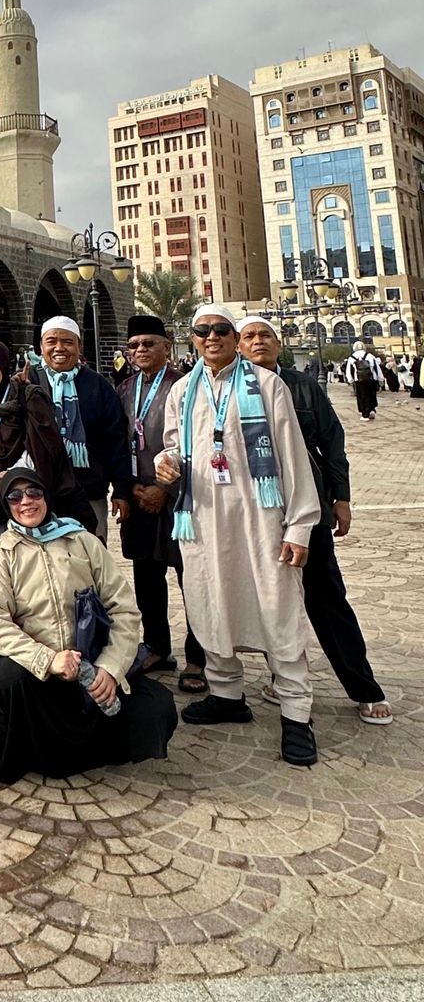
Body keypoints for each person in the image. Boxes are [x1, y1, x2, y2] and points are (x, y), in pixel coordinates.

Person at [157, 305, 321, 766]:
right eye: (202, 331)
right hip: (203, 519)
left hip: (261, 518)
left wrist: (300, 526)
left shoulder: (267, 385)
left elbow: (293, 457)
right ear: (192, 339)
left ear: (234, 337)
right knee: (211, 601)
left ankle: (296, 712)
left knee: (276, 605)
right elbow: (174, 445)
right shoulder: (182, 390)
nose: (211, 337)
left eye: (220, 330)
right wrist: (165, 463)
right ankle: (227, 694)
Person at [0, 464, 177, 783]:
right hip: (43, 671)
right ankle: (48, 754)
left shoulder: (82, 540)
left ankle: (86, 748)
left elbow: (123, 608)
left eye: (33, 492)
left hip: (92, 666)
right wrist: (47, 659)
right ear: (6, 505)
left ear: (45, 496)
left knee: (158, 707)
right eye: (15, 497)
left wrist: (111, 667)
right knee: (9, 679)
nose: (26, 501)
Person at [236, 317, 391, 727]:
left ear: (278, 343)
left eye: (265, 335)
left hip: (307, 506)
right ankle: (282, 677)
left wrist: (342, 497)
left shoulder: (303, 387)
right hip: (255, 511)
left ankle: (364, 687)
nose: (258, 342)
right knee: (270, 599)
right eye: (249, 336)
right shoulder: (228, 389)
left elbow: (332, 442)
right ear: (238, 345)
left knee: (326, 597)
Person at [115, 315, 206, 690]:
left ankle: (199, 657)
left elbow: (196, 443)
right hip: (138, 497)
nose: (140, 350)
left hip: (180, 498)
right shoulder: (124, 388)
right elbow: (117, 442)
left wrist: (164, 489)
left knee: (191, 578)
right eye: (134, 345)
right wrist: (128, 488)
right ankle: (156, 646)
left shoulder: (184, 387)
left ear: (167, 346)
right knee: (146, 577)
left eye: (148, 343)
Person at [0, 337, 89, 549]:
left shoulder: (28, 398)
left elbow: (45, 447)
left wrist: (14, 477)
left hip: (26, 503)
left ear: (5, 367)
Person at [26, 317, 132, 544]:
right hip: (38, 494)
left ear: (79, 346)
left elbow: (115, 440)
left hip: (89, 492)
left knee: (90, 555)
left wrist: (122, 490)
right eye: (51, 341)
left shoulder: (98, 386)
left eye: (67, 342)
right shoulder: (27, 382)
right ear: (41, 346)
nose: (59, 348)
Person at [344, 346, 380, 419]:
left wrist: (350, 380)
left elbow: (349, 370)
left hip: (359, 380)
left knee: (362, 397)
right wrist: (379, 378)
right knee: (371, 395)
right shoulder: (370, 356)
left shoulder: (352, 357)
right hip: (371, 378)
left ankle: (365, 414)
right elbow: (377, 368)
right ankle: (372, 409)